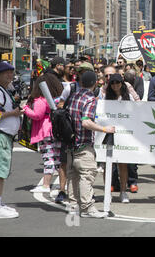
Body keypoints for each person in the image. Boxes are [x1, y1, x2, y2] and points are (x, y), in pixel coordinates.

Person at [66, 70, 115, 218]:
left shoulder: (74, 95)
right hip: (83, 142)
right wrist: (105, 129)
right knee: (87, 175)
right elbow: (86, 122)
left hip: (70, 143)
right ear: (94, 83)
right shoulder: (90, 99)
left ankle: (73, 206)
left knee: (73, 176)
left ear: (81, 82)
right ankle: (87, 208)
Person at [23, 74, 64, 194]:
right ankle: (62, 185)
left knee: (48, 158)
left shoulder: (40, 100)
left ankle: (45, 185)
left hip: (45, 132)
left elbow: (37, 115)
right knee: (57, 159)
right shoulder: (58, 99)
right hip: (56, 130)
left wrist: (25, 109)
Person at [105, 74, 135, 203]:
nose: (115, 85)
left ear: (122, 83)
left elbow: (138, 109)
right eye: (112, 83)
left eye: (117, 82)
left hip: (124, 134)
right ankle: (107, 192)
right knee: (108, 164)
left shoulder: (128, 97)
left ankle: (123, 192)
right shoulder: (105, 97)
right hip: (109, 132)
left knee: (123, 165)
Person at [0, 62, 23, 218]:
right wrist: (14, 113)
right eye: (6, 72)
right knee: (0, 172)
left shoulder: (4, 90)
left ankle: (0, 202)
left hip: (6, 136)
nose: (10, 75)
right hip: (1, 136)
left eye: (11, 72)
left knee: (2, 171)